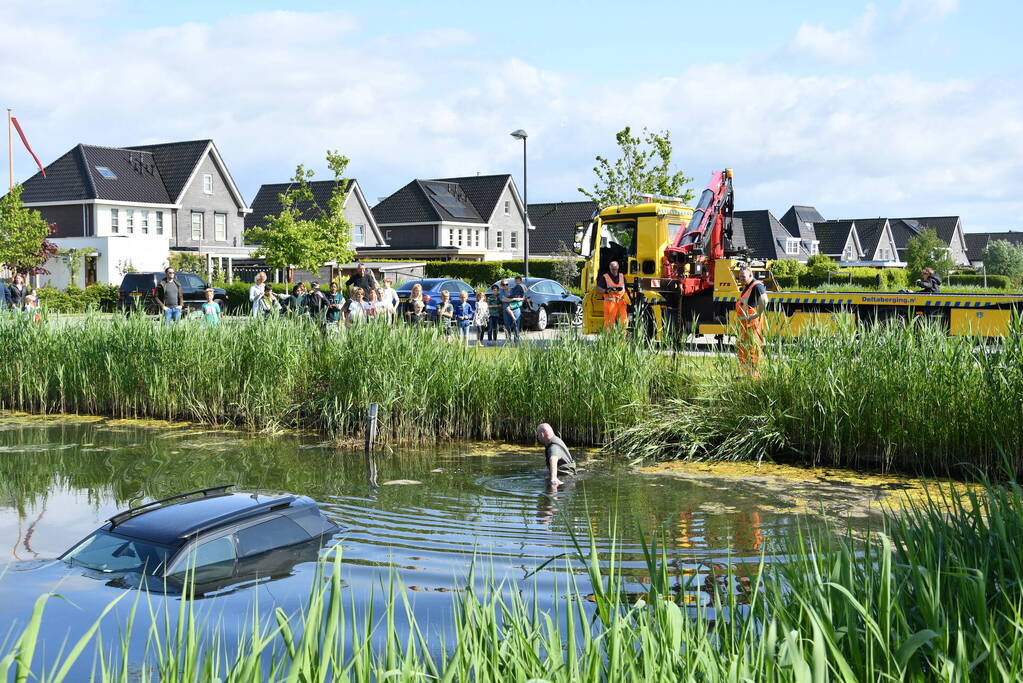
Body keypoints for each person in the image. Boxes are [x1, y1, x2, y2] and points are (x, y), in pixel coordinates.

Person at [735, 266, 768, 378]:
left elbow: (764, 299)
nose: (741, 278)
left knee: (752, 349)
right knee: (744, 349)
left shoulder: (756, 286)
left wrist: (757, 314)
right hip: (745, 325)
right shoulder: (747, 286)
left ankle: (755, 377)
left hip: (751, 324)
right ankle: (747, 375)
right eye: (740, 276)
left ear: (750, 275)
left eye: (743, 276)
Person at [536, 423, 576, 487]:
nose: (538, 437)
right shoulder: (555, 440)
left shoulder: (554, 446)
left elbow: (553, 459)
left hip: (565, 479)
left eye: (538, 435)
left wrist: (553, 478)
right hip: (566, 476)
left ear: (542, 434)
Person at [597, 261, 628, 328]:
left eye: (615, 269)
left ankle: (622, 337)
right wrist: (606, 291)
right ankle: (609, 338)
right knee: (609, 322)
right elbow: (598, 288)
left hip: (621, 303)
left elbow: (626, 288)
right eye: (613, 269)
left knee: (623, 321)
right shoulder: (605, 277)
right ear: (610, 268)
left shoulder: (622, 276)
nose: (614, 271)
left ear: (618, 268)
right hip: (609, 304)